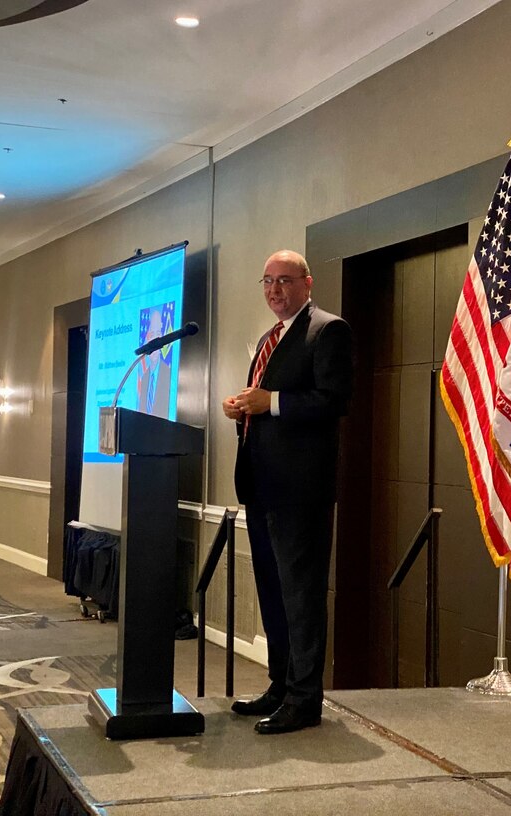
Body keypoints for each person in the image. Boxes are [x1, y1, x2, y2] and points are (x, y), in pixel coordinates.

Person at [222, 249, 353, 734]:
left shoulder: (327, 330)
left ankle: (304, 699)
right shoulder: (268, 338)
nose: (274, 289)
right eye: (267, 281)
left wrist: (271, 402)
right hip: (261, 486)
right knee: (273, 594)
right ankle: (280, 685)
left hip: (301, 491)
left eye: (284, 280)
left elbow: (334, 400)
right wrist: (244, 407)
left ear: (307, 283)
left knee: (301, 596)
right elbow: (267, 399)